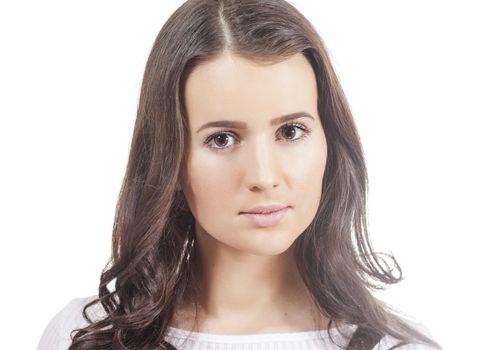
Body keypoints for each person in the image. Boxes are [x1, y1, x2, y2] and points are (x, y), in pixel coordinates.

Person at [37, 0, 443, 349]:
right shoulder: (86, 336)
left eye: (291, 131)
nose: (264, 176)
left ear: (330, 144)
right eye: (222, 139)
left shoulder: (398, 346)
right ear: (170, 160)